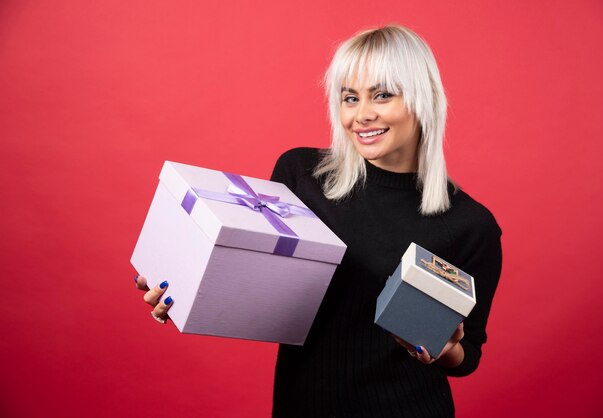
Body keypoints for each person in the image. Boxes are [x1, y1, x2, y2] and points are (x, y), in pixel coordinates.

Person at [136, 25, 502, 418]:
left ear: (421, 99)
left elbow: (468, 355)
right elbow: (262, 289)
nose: (362, 115)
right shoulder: (301, 175)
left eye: (382, 95)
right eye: (349, 97)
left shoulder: (469, 224)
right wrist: (187, 290)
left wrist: (445, 349)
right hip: (302, 404)